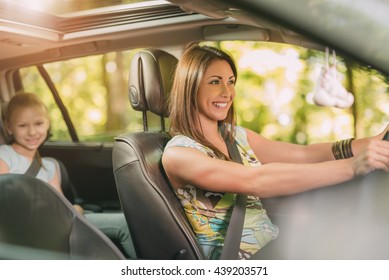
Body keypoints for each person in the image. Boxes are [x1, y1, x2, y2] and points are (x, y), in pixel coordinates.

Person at [161, 44, 389, 260]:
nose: (227, 92)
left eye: (231, 82)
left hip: (274, 245)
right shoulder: (179, 154)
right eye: (214, 82)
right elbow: (255, 180)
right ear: (190, 87)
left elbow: (305, 155)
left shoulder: (235, 136)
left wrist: (377, 141)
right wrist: (352, 167)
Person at [0, 92, 135, 259]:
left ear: (48, 123)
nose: (32, 131)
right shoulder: (4, 156)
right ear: (8, 127)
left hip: (57, 224)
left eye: (39, 123)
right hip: (25, 230)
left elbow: (60, 204)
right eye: (22, 126)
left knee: (126, 224)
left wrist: (75, 209)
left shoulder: (50, 166)